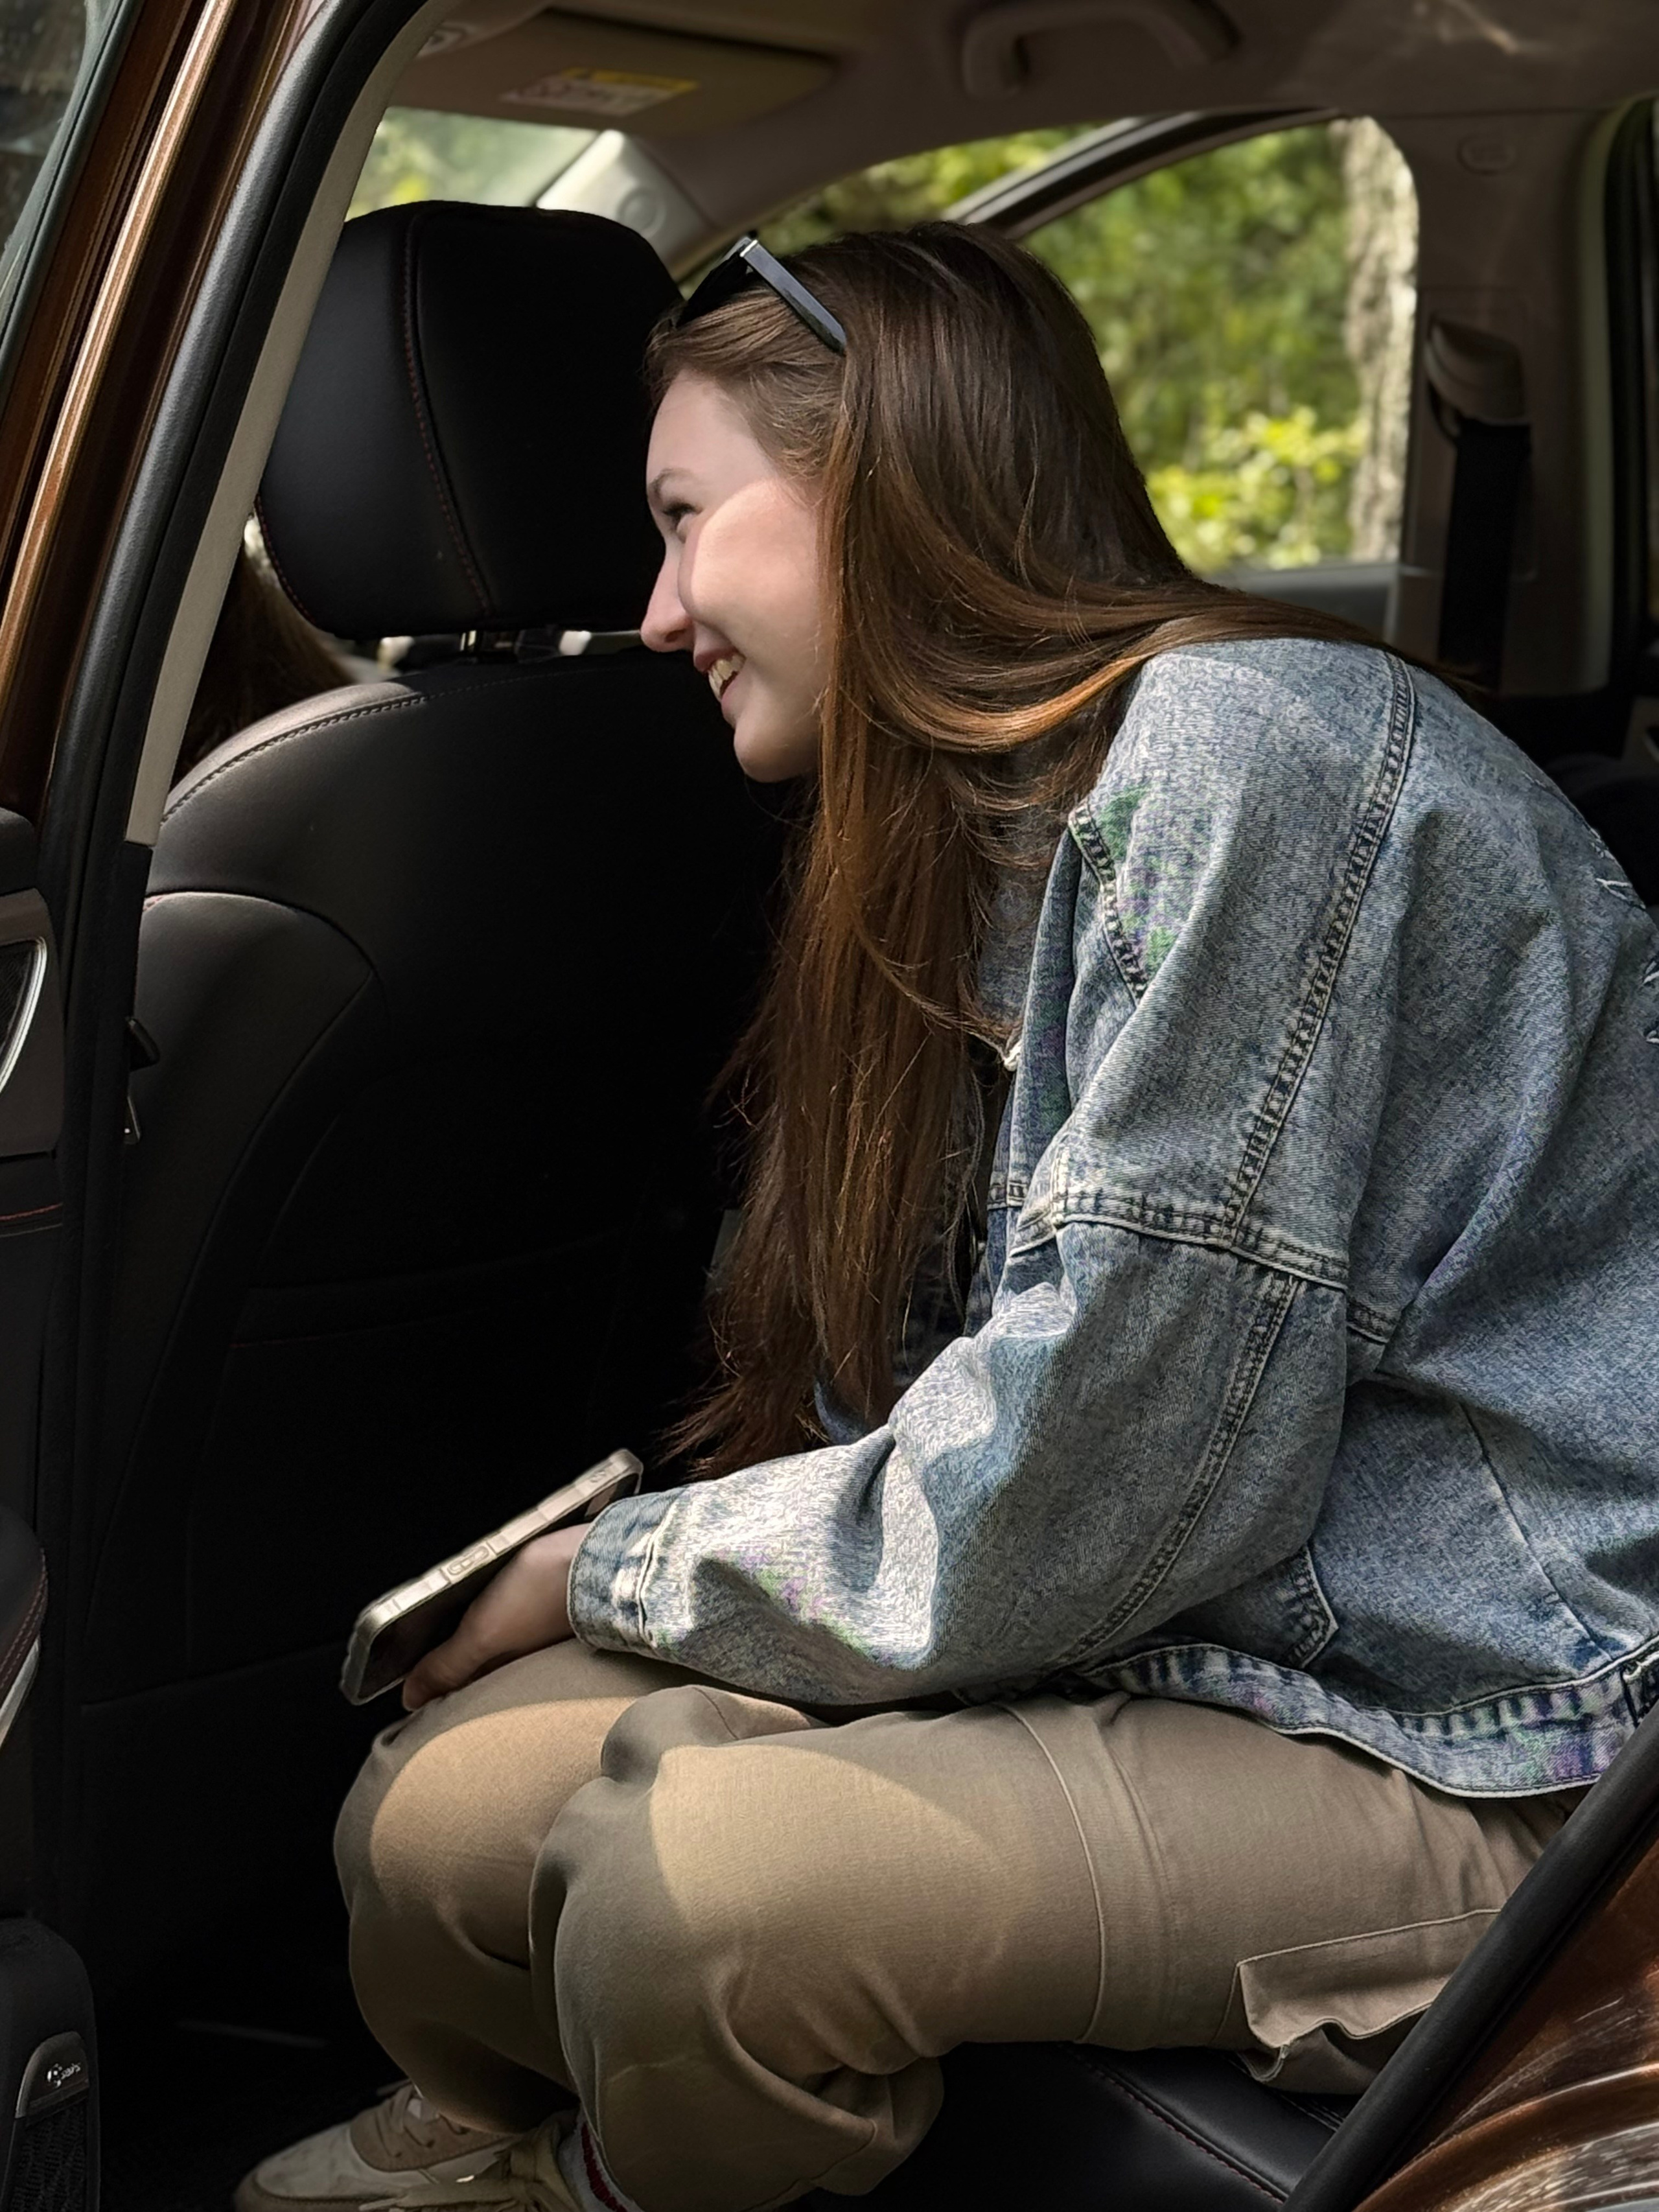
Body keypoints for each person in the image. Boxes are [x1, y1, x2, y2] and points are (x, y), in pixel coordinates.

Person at [238, 225, 1659, 2212]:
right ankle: (494, 2143)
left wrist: (610, 1571)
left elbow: (1106, 1476)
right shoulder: (973, 838)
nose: (651, 614)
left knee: (697, 1901)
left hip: (1497, 1744)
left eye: (683, 520)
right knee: (442, 1821)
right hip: (1196, 1633)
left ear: (871, 485)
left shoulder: (1249, 762)